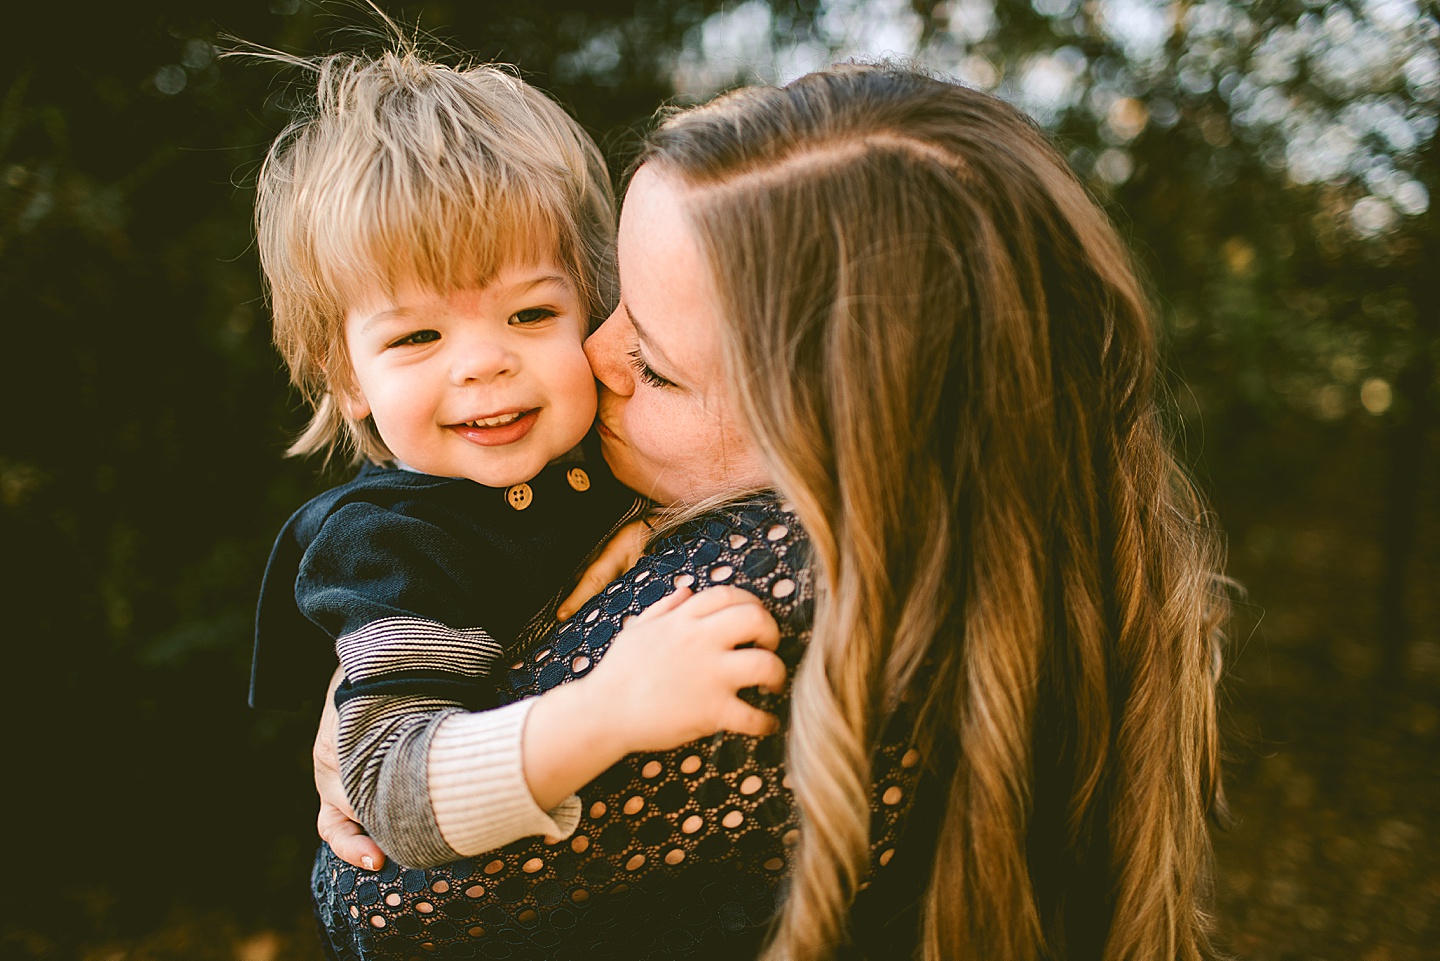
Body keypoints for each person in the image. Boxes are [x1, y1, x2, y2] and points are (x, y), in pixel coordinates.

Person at [312, 62, 1229, 961]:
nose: (594, 354)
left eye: (658, 363)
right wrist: (385, 688)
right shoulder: (1031, 541)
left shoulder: (773, 598)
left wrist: (407, 763)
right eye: (614, 301)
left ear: (851, 434)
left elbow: (377, 895)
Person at [248, 48, 791, 890]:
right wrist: (607, 709)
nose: (482, 363)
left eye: (531, 312)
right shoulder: (389, 549)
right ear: (348, 376)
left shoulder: (614, 445)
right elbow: (398, 799)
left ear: (594, 305)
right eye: (418, 337)